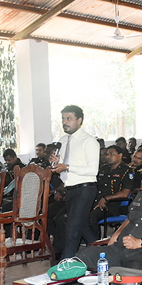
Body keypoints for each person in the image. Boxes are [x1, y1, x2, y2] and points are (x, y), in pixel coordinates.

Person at [49, 105, 100, 259]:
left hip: (85, 189)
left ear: (79, 120)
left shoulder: (89, 141)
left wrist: (67, 167)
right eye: (63, 119)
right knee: (82, 226)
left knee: (72, 228)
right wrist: (57, 165)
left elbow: (92, 170)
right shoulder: (63, 141)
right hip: (69, 189)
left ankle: (65, 263)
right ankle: (104, 253)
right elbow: (64, 167)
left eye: (69, 119)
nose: (65, 122)